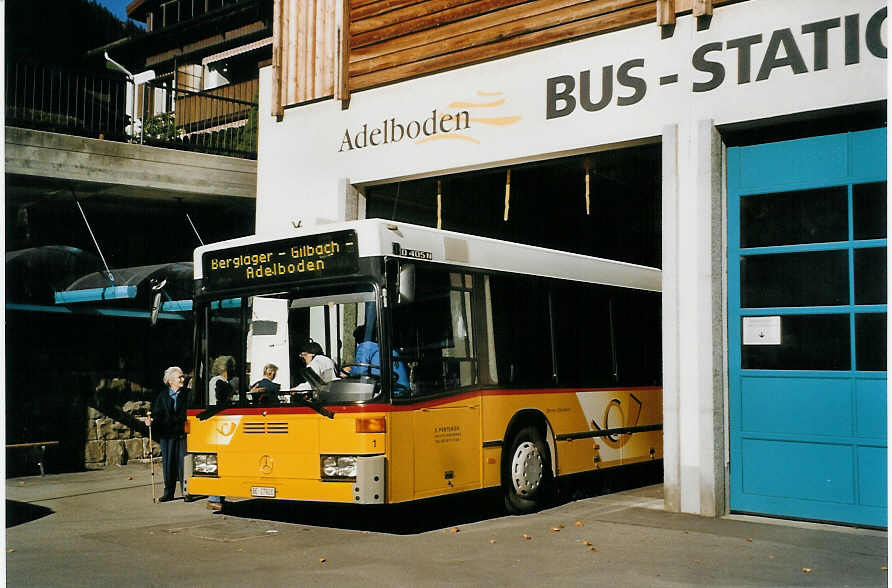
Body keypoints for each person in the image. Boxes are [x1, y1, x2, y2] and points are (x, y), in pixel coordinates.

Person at [149, 366, 189, 502]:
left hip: (183, 434)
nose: (183, 379)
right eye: (180, 377)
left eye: (183, 376)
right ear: (171, 381)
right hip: (167, 434)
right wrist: (151, 421)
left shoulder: (188, 394)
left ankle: (187, 492)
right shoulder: (162, 396)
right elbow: (156, 413)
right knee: (168, 464)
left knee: (184, 463)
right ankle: (169, 492)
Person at [343, 325, 410, 394]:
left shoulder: (366, 346)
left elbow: (359, 372)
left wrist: (347, 373)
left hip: (389, 393)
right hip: (403, 392)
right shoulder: (389, 349)